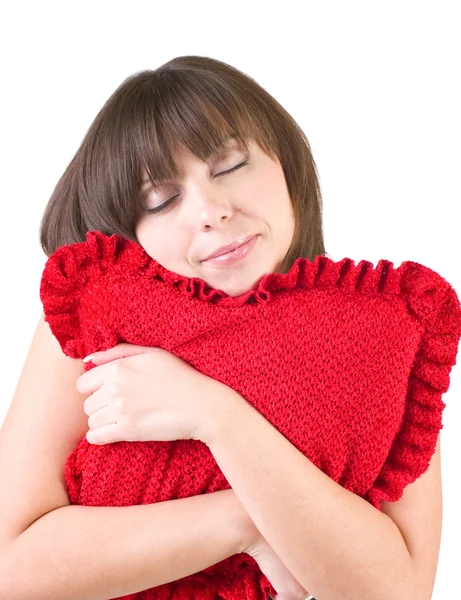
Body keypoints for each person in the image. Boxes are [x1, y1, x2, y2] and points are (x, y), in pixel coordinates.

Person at [1, 55, 459, 600]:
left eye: (229, 166)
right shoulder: (93, 321)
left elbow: (397, 592)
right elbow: (10, 567)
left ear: (285, 161)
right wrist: (245, 522)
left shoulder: (379, 330)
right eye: (163, 200)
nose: (211, 210)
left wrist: (212, 413)